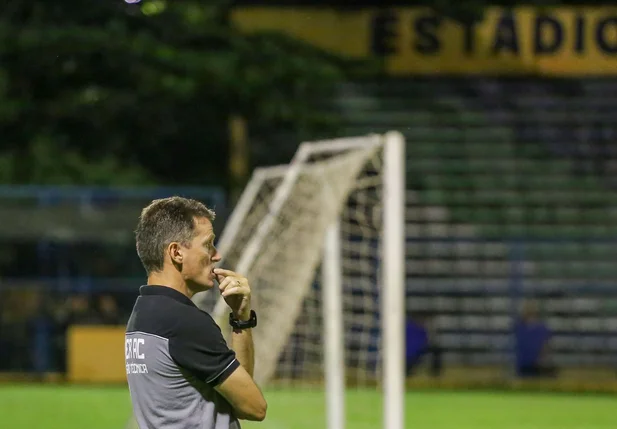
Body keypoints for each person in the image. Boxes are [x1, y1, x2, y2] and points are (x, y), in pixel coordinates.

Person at [125, 196, 267, 429]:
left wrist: (241, 320)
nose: (216, 255)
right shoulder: (185, 322)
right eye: (208, 244)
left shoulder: (142, 313)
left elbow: (239, 392)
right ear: (176, 253)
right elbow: (253, 407)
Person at [514, 300, 557, 378]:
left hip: (537, 365)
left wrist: (542, 359)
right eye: (527, 310)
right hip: (523, 364)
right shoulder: (519, 327)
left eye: (531, 310)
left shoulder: (542, 328)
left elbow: (546, 347)